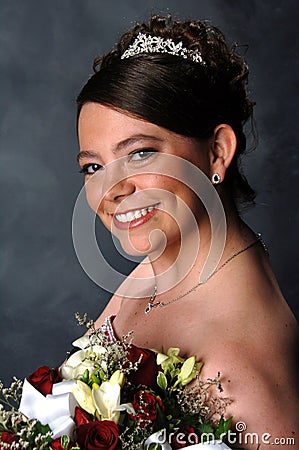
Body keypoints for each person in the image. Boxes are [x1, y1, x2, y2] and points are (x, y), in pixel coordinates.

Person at [76, 15, 298, 449]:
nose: (112, 190)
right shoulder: (164, 266)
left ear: (216, 152)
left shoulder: (241, 377)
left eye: (140, 153)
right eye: (93, 167)